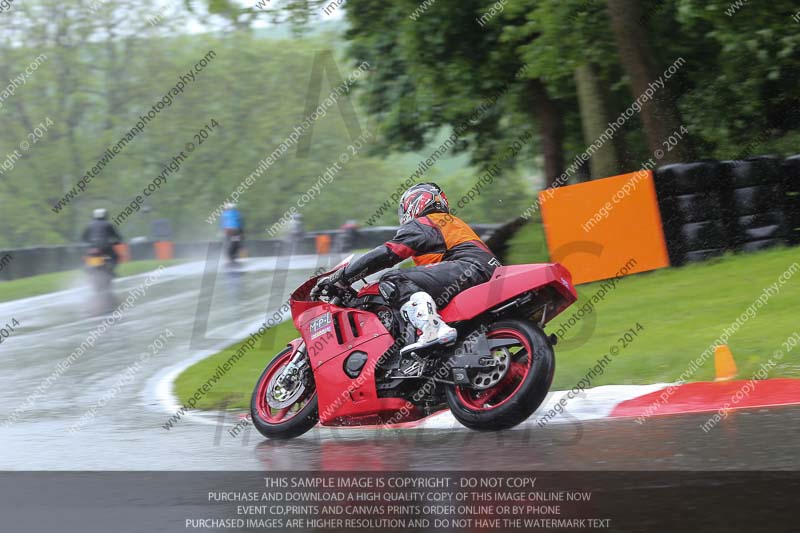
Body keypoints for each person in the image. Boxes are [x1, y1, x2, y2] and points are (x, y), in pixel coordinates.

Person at [312, 182, 501, 355]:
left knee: (394, 280)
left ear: (414, 204)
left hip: (469, 268)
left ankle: (432, 328)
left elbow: (389, 253)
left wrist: (344, 275)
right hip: (482, 272)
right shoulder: (450, 223)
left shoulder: (428, 222)